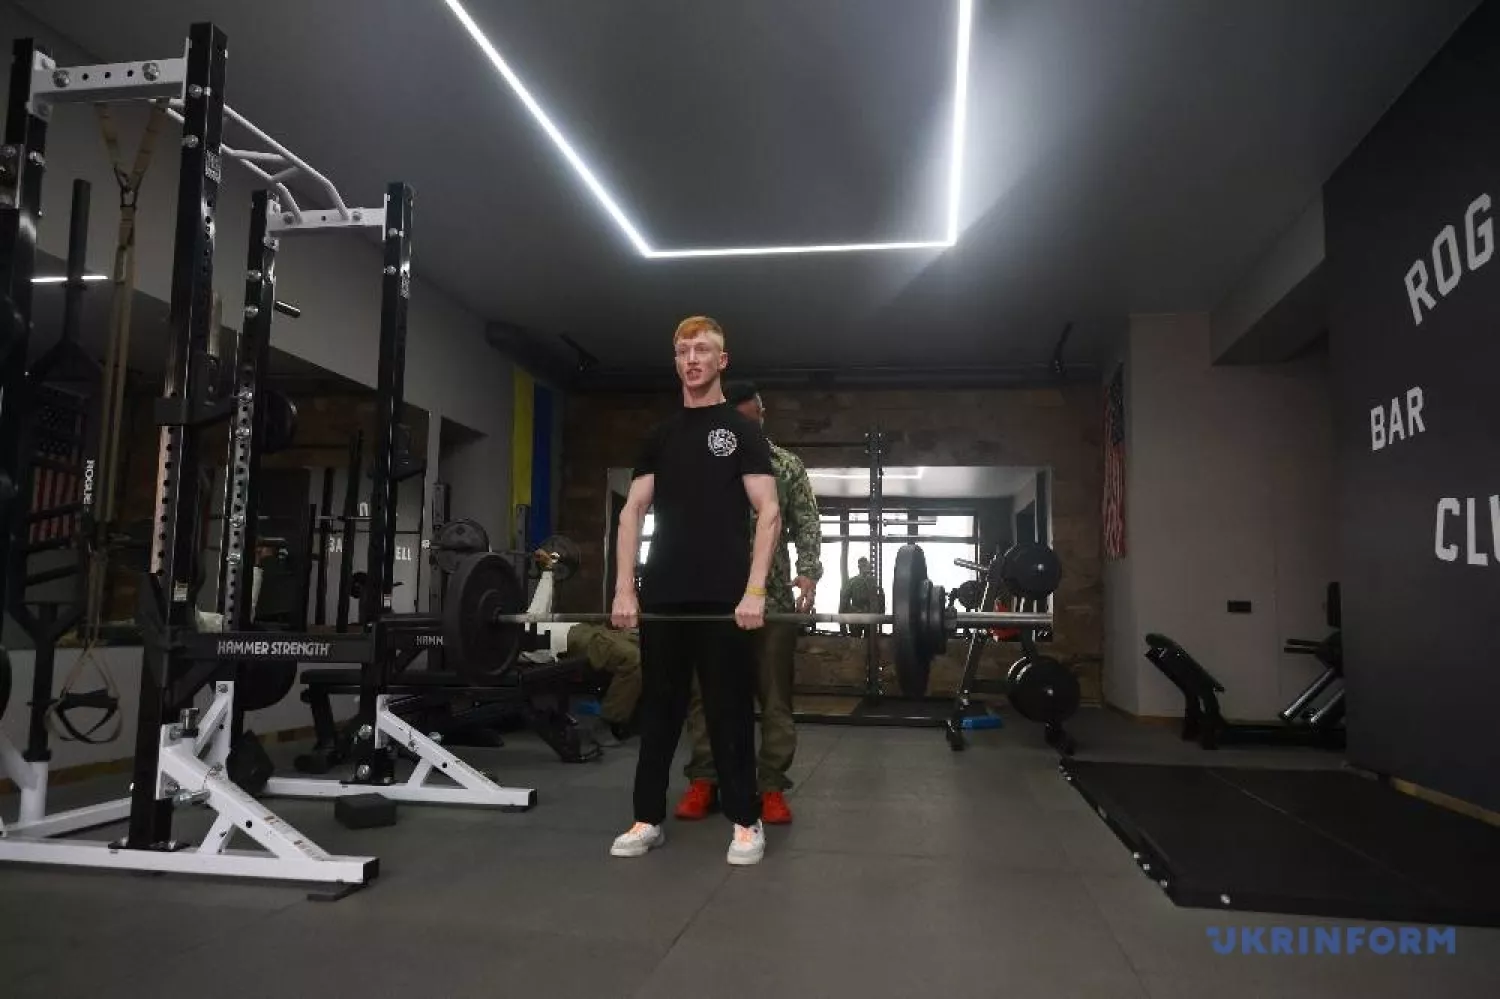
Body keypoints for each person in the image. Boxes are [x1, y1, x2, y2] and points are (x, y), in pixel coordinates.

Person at [609, 316, 781, 867]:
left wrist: (755, 590)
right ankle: (646, 819)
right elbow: (632, 512)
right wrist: (625, 589)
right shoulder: (660, 436)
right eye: (683, 351)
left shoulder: (743, 431)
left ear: (721, 361)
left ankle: (745, 820)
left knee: (729, 710)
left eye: (702, 349)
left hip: (725, 596)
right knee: (659, 710)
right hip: (664, 592)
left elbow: (770, 512)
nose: (691, 359)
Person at [675, 380, 821, 825]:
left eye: (752, 418)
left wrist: (809, 571)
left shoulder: (786, 465)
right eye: (736, 420)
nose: (745, 427)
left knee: (774, 696)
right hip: (714, 597)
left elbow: (805, 520)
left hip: (771, 599)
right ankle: (706, 779)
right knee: (706, 693)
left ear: (762, 416)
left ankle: (771, 786)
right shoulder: (704, 461)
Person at [564, 623, 642, 741]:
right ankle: (607, 722)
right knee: (632, 658)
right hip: (564, 630)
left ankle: (637, 717)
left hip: (590, 626)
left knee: (653, 644)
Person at [840, 557, 880, 637]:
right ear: (859, 567)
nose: (865, 568)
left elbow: (878, 601)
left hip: (870, 618)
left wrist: (878, 618)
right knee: (855, 641)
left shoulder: (872, 582)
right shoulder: (852, 582)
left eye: (866, 565)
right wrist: (842, 624)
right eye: (863, 565)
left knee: (870, 641)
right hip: (856, 617)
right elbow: (844, 602)